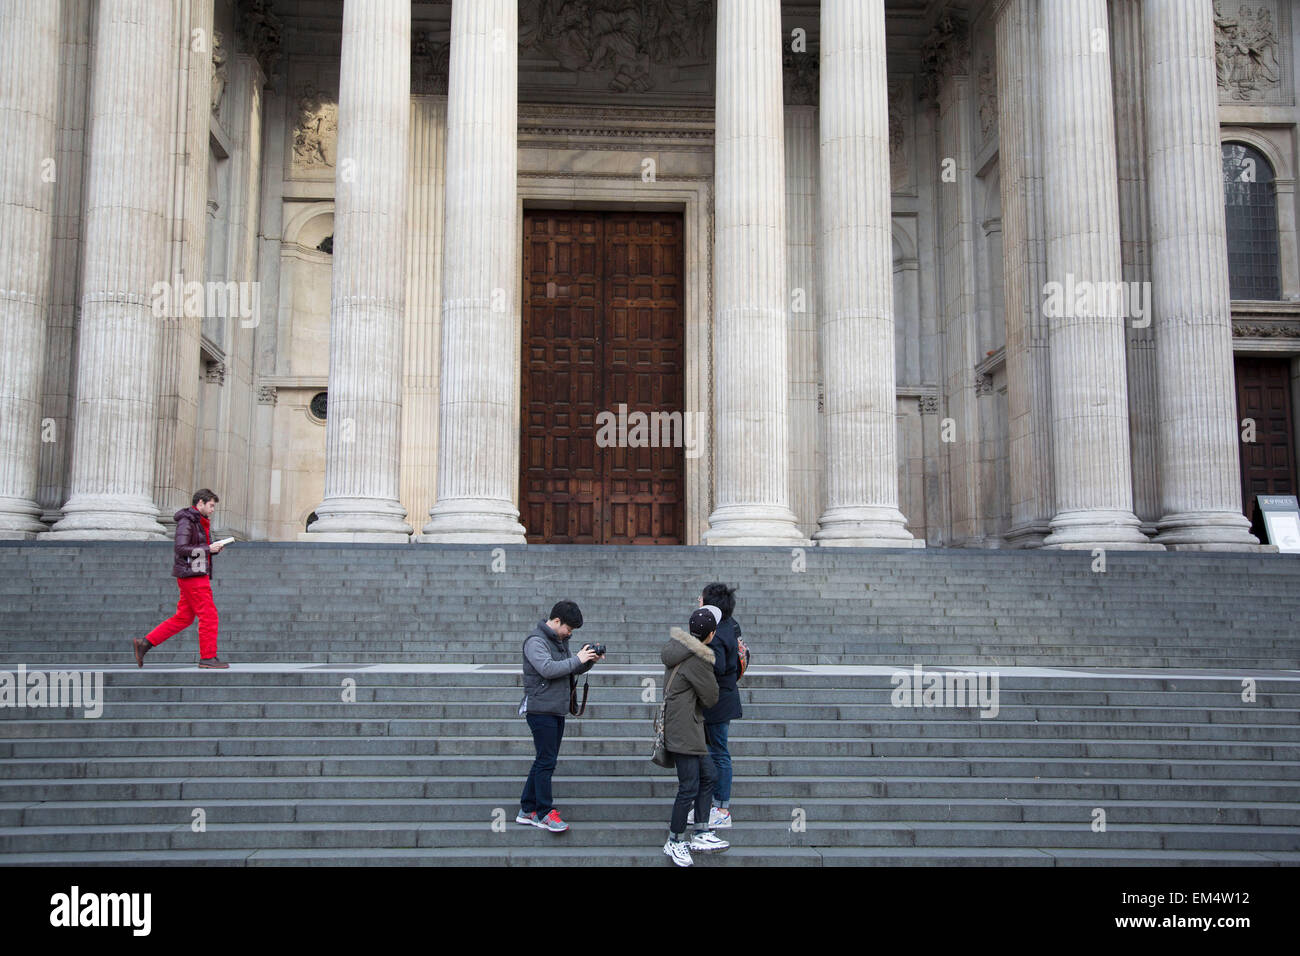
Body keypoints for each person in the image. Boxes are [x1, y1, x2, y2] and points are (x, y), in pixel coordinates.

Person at [517, 600, 602, 833]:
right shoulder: (536, 642)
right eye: (568, 628)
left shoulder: (559, 640)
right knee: (546, 761)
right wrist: (577, 659)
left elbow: (568, 669)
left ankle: (527, 808)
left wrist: (587, 662)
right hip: (540, 710)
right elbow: (548, 669)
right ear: (556, 621)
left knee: (544, 759)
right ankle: (544, 812)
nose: (570, 633)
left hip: (555, 708)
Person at [661, 606, 729, 867]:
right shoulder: (698, 659)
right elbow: (711, 698)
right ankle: (675, 840)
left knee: (708, 775)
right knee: (689, 786)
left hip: (684, 725)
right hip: (685, 728)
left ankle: (701, 831)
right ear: (711, 634)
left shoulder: (678, 647)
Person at [132, 489, 229, 669]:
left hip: (194, 573)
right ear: (200, 503)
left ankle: (144, 643)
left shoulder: (198, 522)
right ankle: (207, 658)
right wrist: (209, 549)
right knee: (209, 616)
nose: (213, 509)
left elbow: (194, 548)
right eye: (211, 505)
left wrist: (212, 549)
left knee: (183, 617)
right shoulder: (187, 521)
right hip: (192, 576)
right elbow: (181, 548)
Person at [700, 582, 742, 828]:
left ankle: (721, 807)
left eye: (702, 598)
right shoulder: (731, 625)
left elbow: (716, 668)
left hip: (716, 701)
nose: (698, 601)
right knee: (714, 751)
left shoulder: (717, 633)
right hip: (723, 698)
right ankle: (711, 804)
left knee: (718, 753)